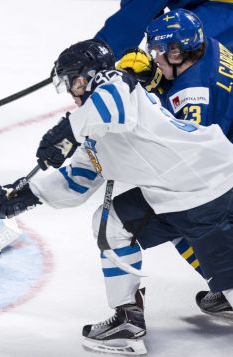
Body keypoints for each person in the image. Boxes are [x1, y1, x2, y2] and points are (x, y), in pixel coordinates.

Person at [0, 39, 233, 355]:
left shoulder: (117, 86)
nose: (72, 92)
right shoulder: (96, 120)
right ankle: (127, 318)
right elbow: (78, 181)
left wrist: (66, 132)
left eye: (72, 82)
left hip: (205, 190)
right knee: (110, 221)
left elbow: (111, 106)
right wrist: (27, 194)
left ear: (85, 77)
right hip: (185, 190)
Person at [116, 8, 233, 317]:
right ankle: (223, 285)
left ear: (178, 52)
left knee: (178, 210)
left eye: (158, 51)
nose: (153, 56)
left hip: (221, 177)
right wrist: (156, 80)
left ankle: (225, 283)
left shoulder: (194, 95)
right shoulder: (210, 46)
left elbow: (184, 152)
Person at [93, 0, 233, 60]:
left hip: (222, 14)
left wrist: (100, 52)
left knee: (182, 61)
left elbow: (137, 13)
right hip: (219, 13)